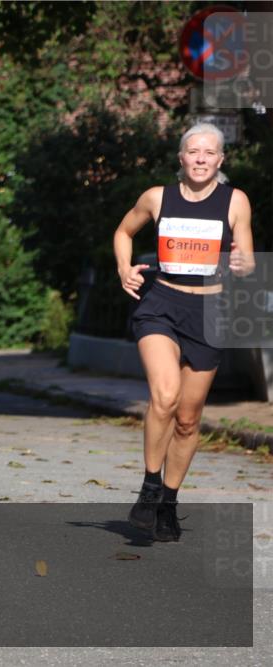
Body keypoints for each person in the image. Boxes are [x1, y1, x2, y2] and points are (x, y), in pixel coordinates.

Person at [114, 122, 254, 542]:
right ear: (181, 157)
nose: (200, 159)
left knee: (189, 419)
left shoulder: (236, 202)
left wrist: (244, 264)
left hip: (209, 311)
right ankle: (150, 485)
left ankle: (168, 503)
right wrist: (124, 268)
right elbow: (124, 231)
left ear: (220, 160)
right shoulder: (158, 197)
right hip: (160, 304)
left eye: (209, 153)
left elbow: (245, 255)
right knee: (165, 395)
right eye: (193, 151)